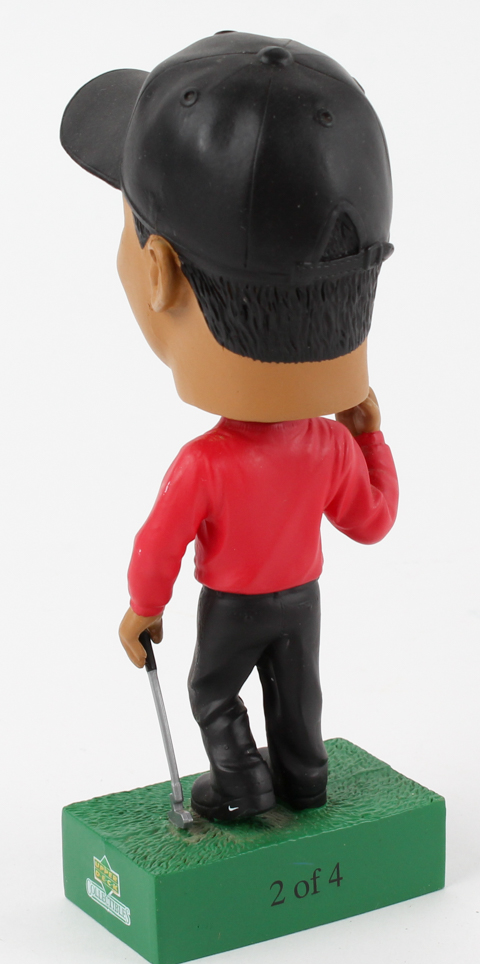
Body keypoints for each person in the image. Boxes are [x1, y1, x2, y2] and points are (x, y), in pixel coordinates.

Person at [61, 30, 398, 823]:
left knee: (213, 690)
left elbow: (159, 546)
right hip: (302, 600)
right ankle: (305, 780)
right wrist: (367, 436)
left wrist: (143, 609)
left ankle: (243, 784)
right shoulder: (326, 444)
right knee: (297, 694)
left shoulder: (205, 463)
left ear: (160, 273)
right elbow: (373, 521)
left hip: (235, 605)